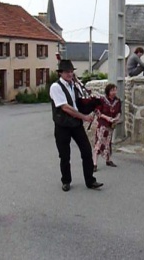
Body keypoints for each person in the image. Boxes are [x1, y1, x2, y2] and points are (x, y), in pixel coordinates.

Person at [49, 59, 103, 191]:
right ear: (60, 73)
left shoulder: (74, 85)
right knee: (65, 155)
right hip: (62, 125)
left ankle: (90, 180)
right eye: (67, 72)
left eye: (71, 71)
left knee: (86, 151)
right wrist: (84, 117)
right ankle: (66, 181)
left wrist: (93, 106)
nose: (70, 74)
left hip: (76, 124)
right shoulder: (55, 87)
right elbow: (66, 107)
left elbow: (78, 103)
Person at [93, 83, 122, 171]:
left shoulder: (117, 101)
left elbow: (119, 111)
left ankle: (108, 160)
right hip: (103, 124)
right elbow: (97, 111)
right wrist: (106, 118)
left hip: (111, 125)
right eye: (112, 90)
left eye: (115, 90)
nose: (114, 92)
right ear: (108, 91)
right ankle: (94, 163)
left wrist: (117, 118)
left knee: (108, 142)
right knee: (99, 141)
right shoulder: (102, 100)